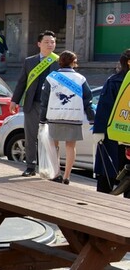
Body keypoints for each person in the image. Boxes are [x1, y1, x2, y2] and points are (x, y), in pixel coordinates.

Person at [39, 51, 94, 184]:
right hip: (73, 116)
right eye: (75, 62)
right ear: (72, 62)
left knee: (54, 146)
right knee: (70, 146)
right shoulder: (81, 78)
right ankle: (67, 176)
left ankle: (56, 172)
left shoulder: (51, 77)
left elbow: (44, 100)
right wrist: (91, 116)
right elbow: (88, 100)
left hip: (54, 116)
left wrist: (42, 119)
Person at [11, 30, 59, 176]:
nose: (50, 45)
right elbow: (22, 82)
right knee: (31, 136)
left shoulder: (58, 61)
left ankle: (52, 169)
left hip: (51, 106)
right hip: (32, 104)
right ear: (39, 44)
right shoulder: (29, 61)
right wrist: (14, 100)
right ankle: (31, 166)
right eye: (47, 42)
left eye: (53, 42)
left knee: (51, 138)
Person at [93, 49, 130, 196]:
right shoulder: (114, 81)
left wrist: (99, 131)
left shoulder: (114, 81)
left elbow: (104, 108)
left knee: (107, 173)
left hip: (113, 134)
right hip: (122, 136)